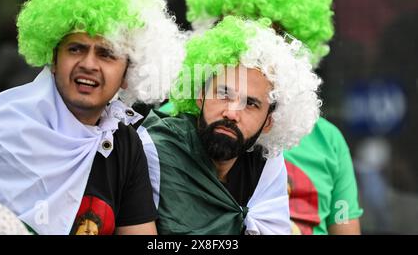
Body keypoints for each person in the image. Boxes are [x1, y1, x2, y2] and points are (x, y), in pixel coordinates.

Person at [0, 0, 184, 235]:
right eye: (76, 49)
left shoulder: (125, 143)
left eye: (106, 54)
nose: (89, 64)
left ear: (128, 74)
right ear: (54, 59)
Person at [180, 0, 363, 234]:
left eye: (272, 36)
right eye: (240, 31)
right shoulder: (179, 120)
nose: (255, 49)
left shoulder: (328, 141)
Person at [138, 15, 322, 234]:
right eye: (224, 94)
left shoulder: (265, 164)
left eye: (251, 104)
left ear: (269, 122)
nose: (232, 113)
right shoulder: (153, 149)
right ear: (200, 95)